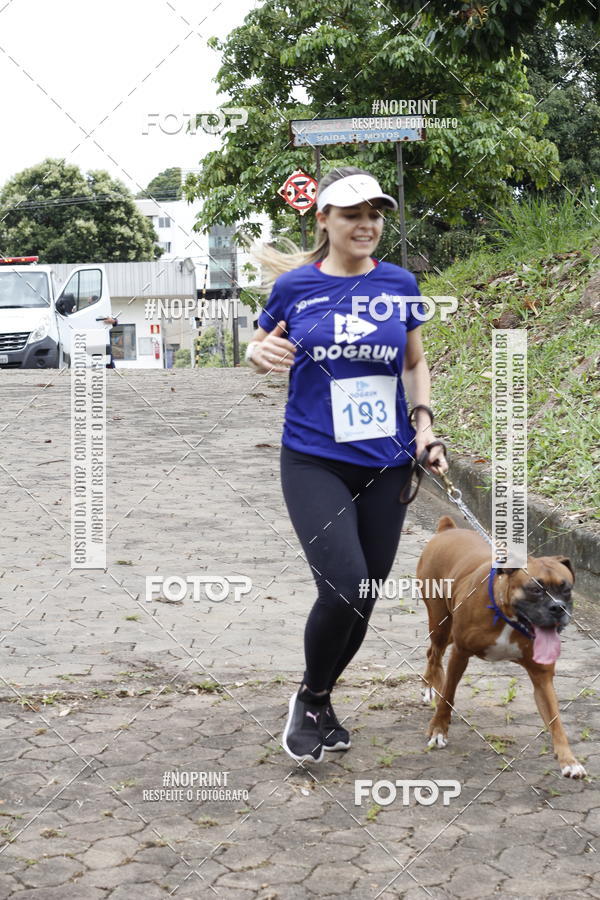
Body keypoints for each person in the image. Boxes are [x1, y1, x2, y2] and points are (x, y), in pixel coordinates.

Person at [247, 166, 449, 764]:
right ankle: (309, 698)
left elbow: (413, 362)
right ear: (325, 221)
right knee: (340, 585)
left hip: (386, 462)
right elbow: (258, 350)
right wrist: (260, 354)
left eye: (374, 215)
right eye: (352, 214)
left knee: (362, 592)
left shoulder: (399, 282)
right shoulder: (296, 288)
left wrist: (424, 425)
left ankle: (322, 697)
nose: (366, 224)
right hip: (313, 459)